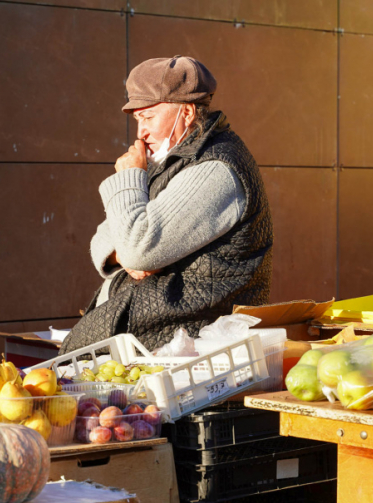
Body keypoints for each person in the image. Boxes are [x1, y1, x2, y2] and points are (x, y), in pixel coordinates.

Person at [60, 55, 274, 353]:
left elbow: (137, 249)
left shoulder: (214, 169)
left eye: (148, 117)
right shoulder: (174, 160)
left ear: (185, 113)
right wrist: (126, 253)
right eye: (137, 120)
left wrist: (131, 178)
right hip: (150, 339)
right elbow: (101, 243)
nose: (140, 133)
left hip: (184, 349)